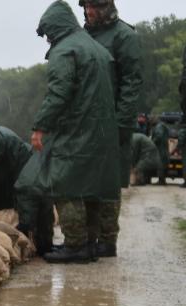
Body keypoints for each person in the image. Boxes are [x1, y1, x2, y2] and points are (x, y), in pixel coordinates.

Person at [31, 0, 121, 264]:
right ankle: (91, 243)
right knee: (92, 185)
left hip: (77, 128)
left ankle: (75, 245)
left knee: (64, 183)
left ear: (56, 27)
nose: (47, 38)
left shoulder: (65, 50)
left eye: (48, 33)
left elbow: (58, 93)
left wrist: (40, 126)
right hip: (103, 129)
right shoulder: (97, 48)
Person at [80, 0, 143, 258]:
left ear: (106, 8)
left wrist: (120, 124)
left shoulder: (125, 36)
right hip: (85, 123)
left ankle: (107, 240)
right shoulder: (81, 36)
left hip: (112, 121)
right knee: (84, 180)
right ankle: (87, 237)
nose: (88, 11)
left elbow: (131, 83)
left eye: (93, 7)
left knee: (108, 183)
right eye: (84, 6)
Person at [151, 118, 172, 185]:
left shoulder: (158, 127)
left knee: (160, 164)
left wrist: (151, 142)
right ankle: (163, 180)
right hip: (164, 147)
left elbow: (158, 136)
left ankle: (161, 180)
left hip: (160, 148)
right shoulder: (163, 126)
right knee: (164, 164)